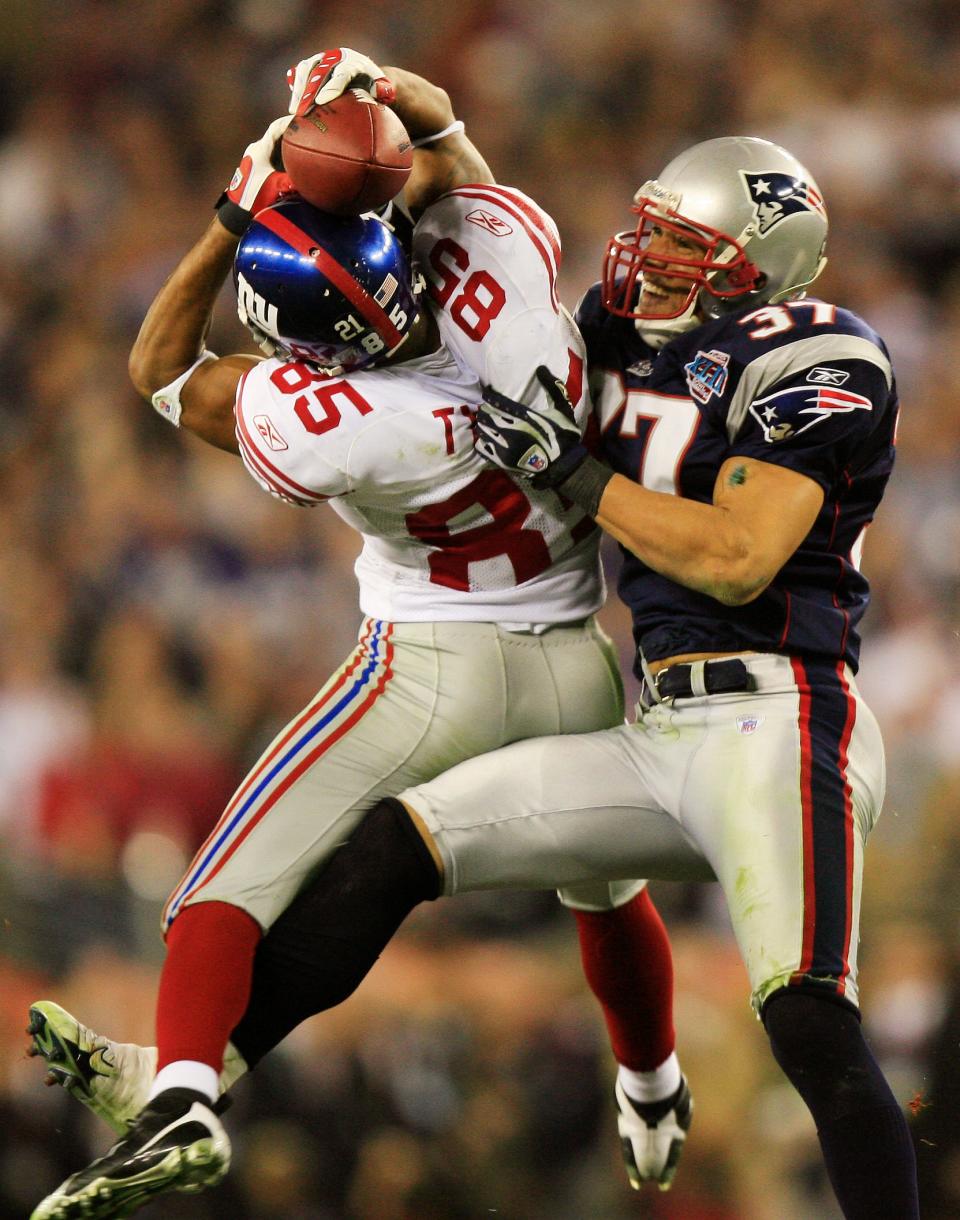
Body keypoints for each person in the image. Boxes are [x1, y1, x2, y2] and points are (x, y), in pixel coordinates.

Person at [35, 130, 916, 1218]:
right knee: (397, 846)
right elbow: (479, 219)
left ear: (755, 269)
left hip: (787, 718)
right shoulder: (600, 328)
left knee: (810, 1020)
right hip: (645, 719)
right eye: (651, 228)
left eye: (682, 245)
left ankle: (185, 1081)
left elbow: (737, 556)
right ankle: (199, 1081)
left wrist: (574, 469)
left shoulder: (821, 350)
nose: (642, 256)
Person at [28, 51, 687, 1220]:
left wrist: (237, 212)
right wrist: (367, 95)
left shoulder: (320, 413)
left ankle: (184, 1090)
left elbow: (159, 373)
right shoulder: (505, 264)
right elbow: (449, 151)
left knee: (229, 875)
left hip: (432, 664)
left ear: (305, 341)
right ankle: (651, 1079)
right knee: (604, 886)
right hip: (579, 651)